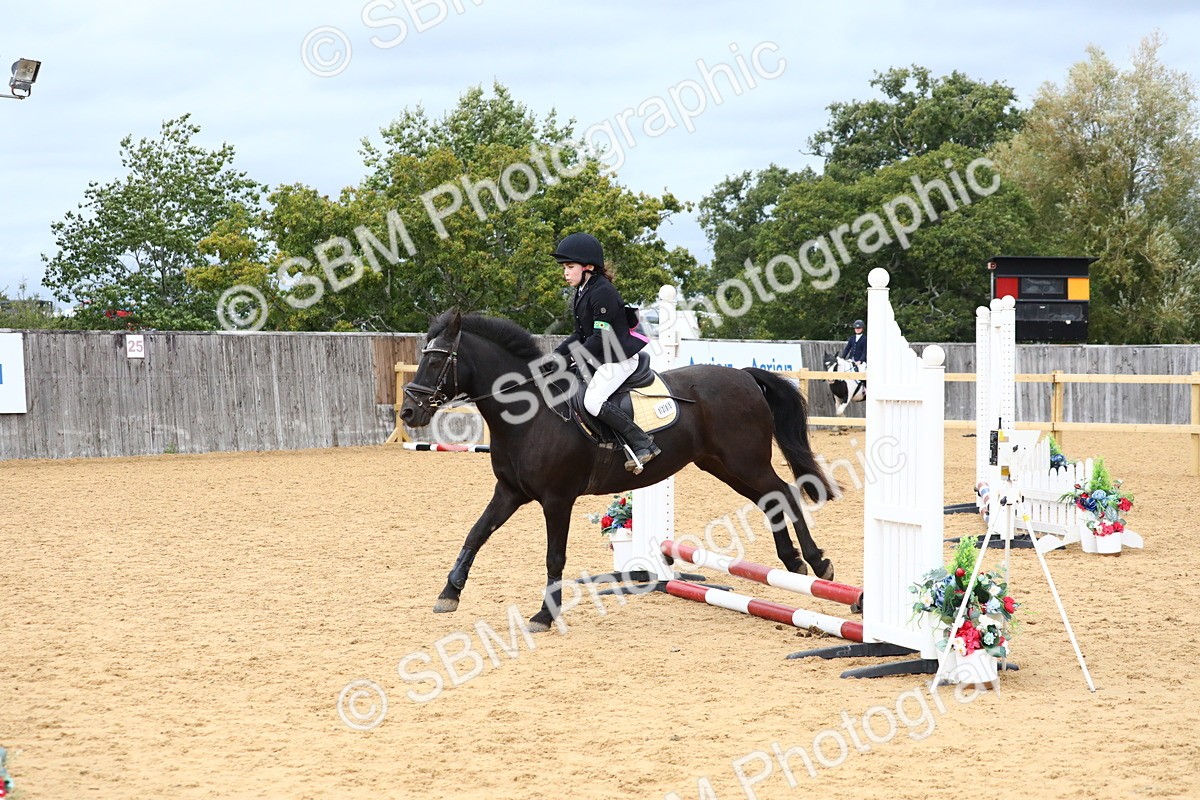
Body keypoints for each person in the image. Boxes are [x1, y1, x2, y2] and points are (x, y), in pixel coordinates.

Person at [551, 232, 659, 471]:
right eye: (564, 268)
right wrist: (557, 356)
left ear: (588, 266)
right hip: (601, 357)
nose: (565, 273)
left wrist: (571, 359)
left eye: (570, 267)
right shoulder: (581, 292)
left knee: (592, 401)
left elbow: (600, 338)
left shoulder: (602, 292)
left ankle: (643, 443)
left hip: (619, 357)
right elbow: (580, 335)